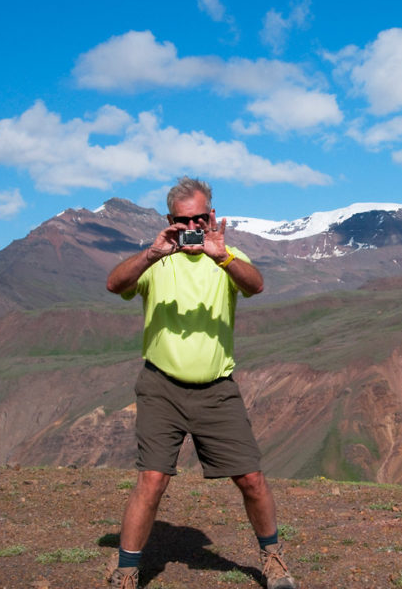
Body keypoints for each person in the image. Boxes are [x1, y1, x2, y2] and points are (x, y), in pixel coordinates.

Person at [104, 177, 296, 589]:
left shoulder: (225, 256)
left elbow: (256, 285)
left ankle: (273, 558)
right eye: (183, 219)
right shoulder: (157, 261)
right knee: (152, 479)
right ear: (169, 220)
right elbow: (114, 284)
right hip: (161, 386)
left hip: (216, 388)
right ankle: (126, 570)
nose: (192, 225)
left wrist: (222, 257)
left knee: (251, 479)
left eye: (200, 217)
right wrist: (152, 253)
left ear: (212, 215)